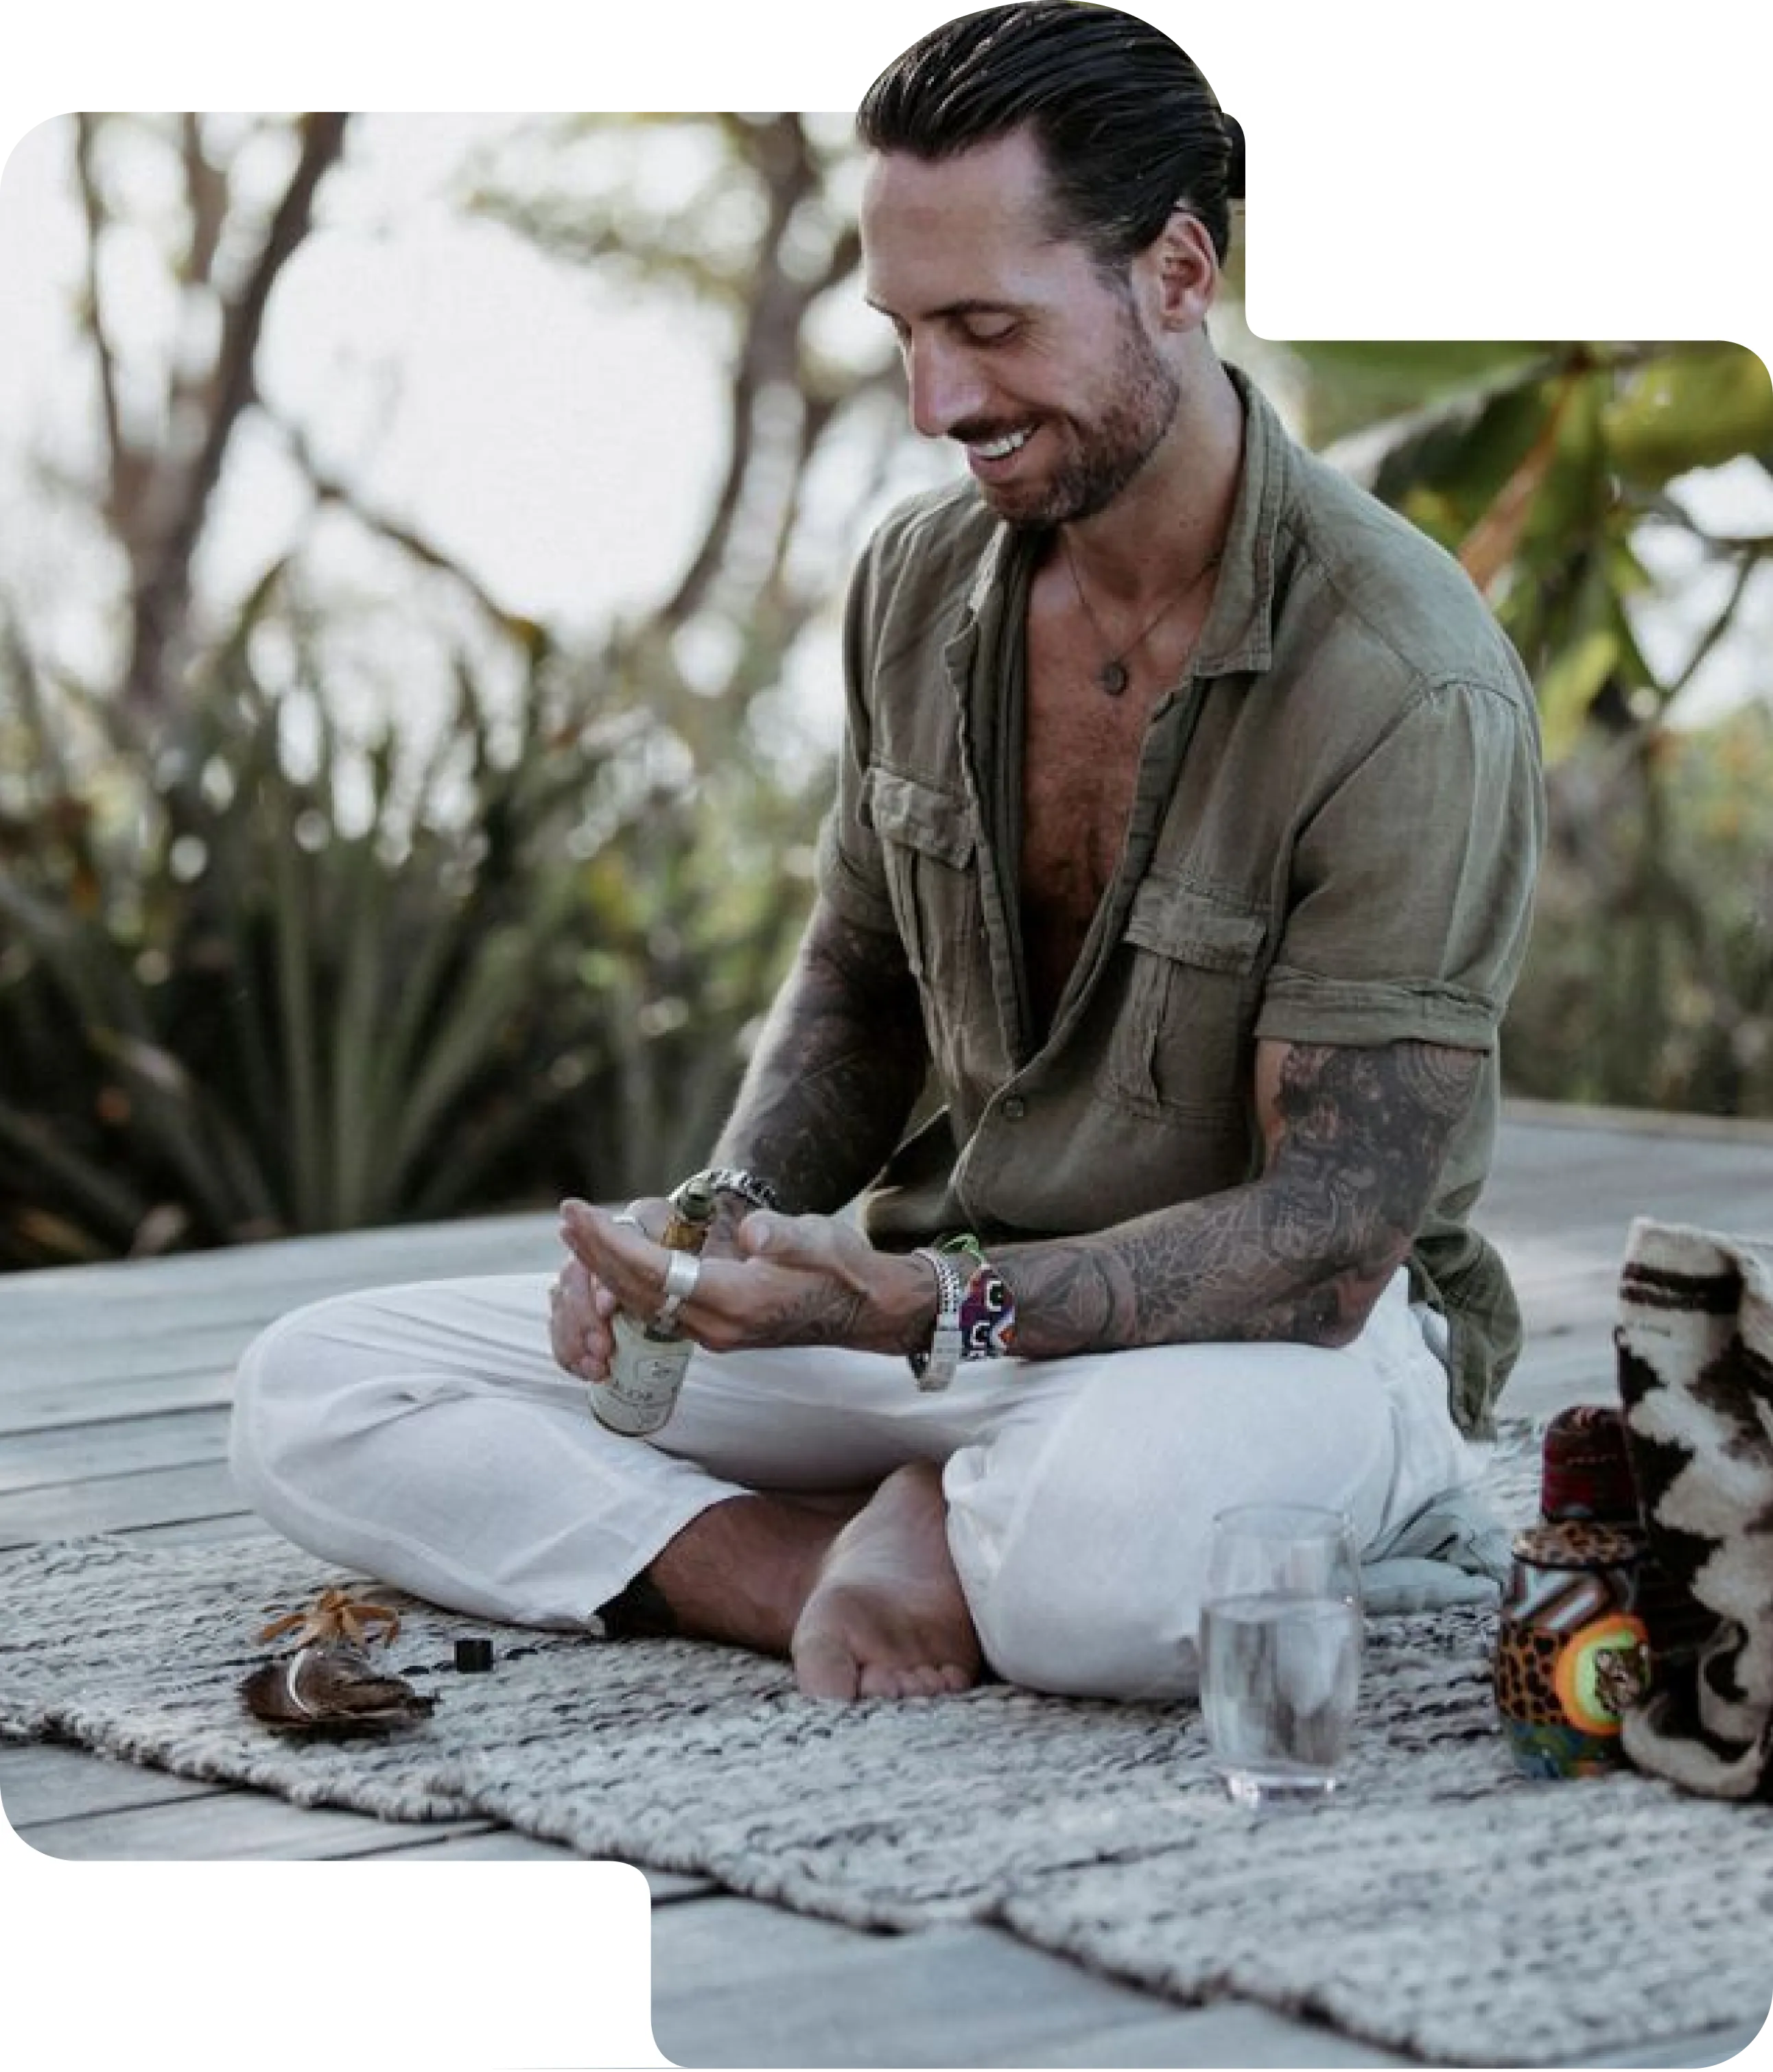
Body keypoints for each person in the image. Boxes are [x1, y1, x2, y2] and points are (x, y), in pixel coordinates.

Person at [229, 3, 1545, 1707]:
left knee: (1103, 1577)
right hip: (941, 1324)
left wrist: (908, 1311)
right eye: (908, 329)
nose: (936, 400)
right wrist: (712, 1231)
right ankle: (816, 1562)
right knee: (317, 1387)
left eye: (987, 327)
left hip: (1279, 1354)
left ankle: (978, 1522)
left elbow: (1325, 1242)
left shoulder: (1403, 680)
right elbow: (857, 986)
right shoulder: (919, 585)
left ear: (1173, 271)